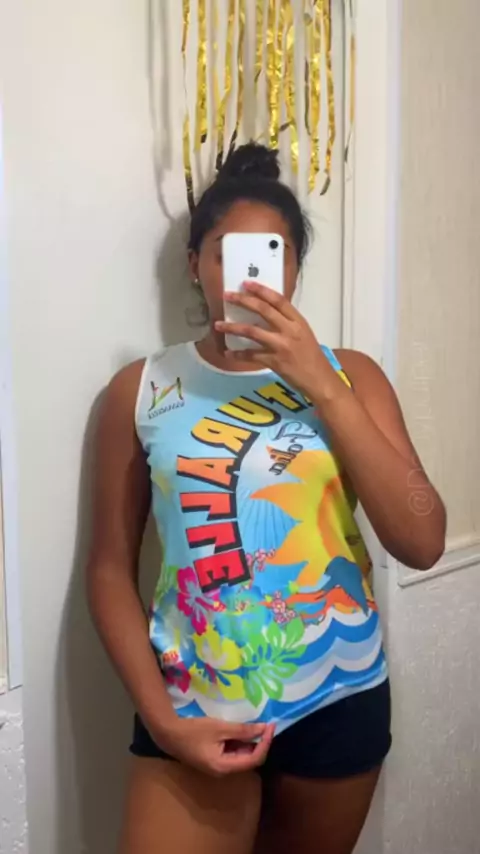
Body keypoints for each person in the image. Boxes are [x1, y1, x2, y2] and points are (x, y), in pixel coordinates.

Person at [87, 143, 446, 854]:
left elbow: (423, 539)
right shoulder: (143, 389)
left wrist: (321, 384)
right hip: (192, 703)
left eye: (271, 255)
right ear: (195, 263)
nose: (249, 275)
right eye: (226, 253)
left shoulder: (353, 376)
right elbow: (107, 570)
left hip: (338, 698)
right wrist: (162, 722)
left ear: (294, 268)